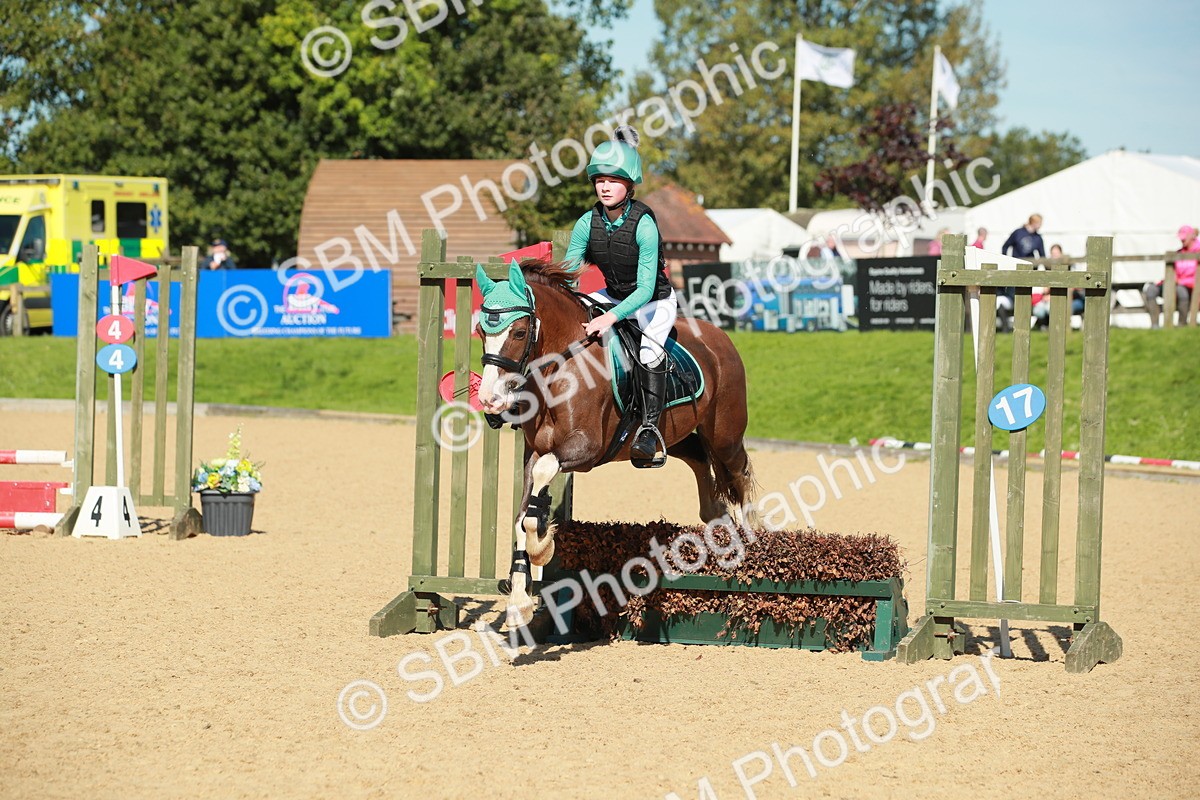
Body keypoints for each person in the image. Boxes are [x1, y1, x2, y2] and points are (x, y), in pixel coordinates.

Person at [564, 126, 676, 464]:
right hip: (612, 296)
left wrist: (610, 316)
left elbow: (644, 289)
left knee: (648, 352)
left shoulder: (644, 224)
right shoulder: (588, 222)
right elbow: (569, 272)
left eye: (613, 180)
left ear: (629, 184)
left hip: (653, 303)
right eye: (599, 180)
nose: (604, 186)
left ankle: (650, 430)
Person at [1143, 225, 1198, 328]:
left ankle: (1182, 325)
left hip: (1190, 289)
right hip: (1174, 284)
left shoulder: (1198, 252)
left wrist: (1181, 281)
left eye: (1184, 237)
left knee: (1181, 291)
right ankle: (1155, 326)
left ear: (1191, 236)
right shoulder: (1178, 253)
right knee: (1151, 289)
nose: (1181, 240)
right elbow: (1173, 272)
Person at [998, 214, 1045, 330]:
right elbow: (1005, 246)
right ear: (1033, 222)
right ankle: (1012, 323)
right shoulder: (1018, 233)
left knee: (1026, 295)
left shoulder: (1037, 238)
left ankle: (1023, 323)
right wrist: (1006, 262)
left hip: (1030, 270)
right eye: (1039, 223)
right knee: (1015, 295)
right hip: (1015, 269)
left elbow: (1042, 256)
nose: (1040, 225)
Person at [1032, 244, 1083, 328]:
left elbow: (1074, 288)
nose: (1055, 256)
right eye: (1053, 254)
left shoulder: (1069, 267)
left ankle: (1057, 327)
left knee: (1054, 308)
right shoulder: (1047, 269)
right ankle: (1045, 326)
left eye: (1056, 253)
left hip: (1070, 299)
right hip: (1050, 299)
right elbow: (1045, 290)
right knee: (1039, 310)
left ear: (1061, 254)